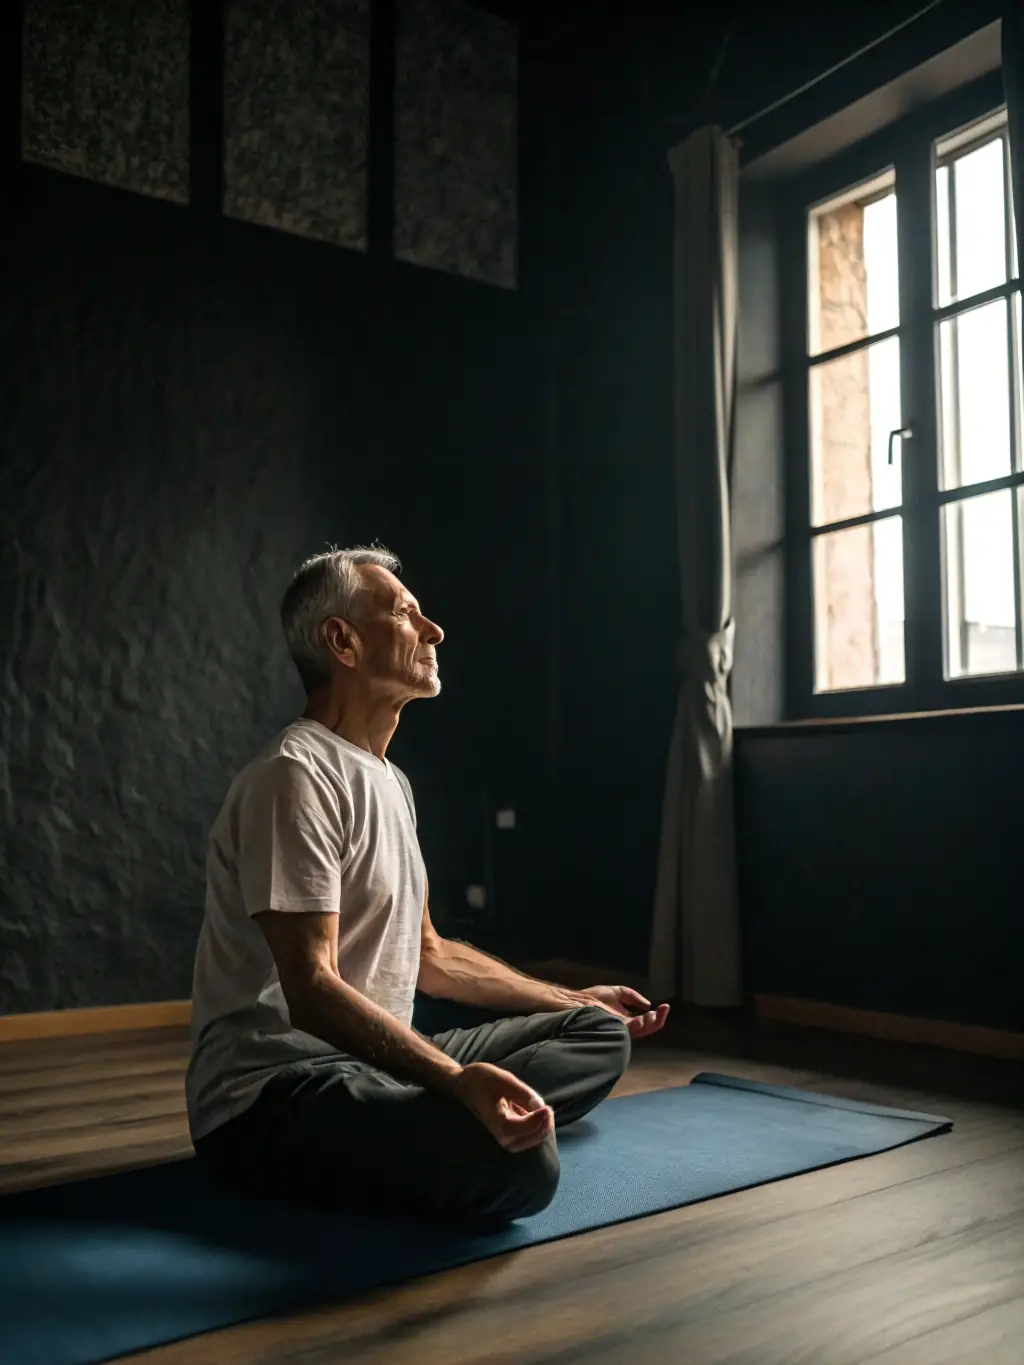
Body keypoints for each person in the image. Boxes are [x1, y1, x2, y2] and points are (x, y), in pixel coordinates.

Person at [186, 546, 670, 1223]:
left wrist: (570, 996)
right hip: (275, 1092)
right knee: (525, 1167)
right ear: (342, 641)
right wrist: (454, 1078)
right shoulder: (294, 776)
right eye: (405, 614)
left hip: (376, 1063)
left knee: (597, 1033)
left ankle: (445, 1118)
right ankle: (458, 1120)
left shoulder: (392, 781)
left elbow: (431, 956)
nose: (434, 631)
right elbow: (311, 989)